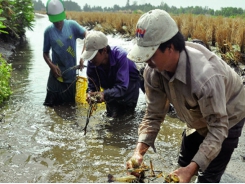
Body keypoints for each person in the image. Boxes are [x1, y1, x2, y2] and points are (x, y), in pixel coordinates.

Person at [126, 9, 245, 183]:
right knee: (180, 165)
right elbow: (153, 114)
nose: (146, 61)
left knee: (207, 177)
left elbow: (219, 129)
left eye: (150, 54)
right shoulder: (153, 71)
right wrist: (138, 152)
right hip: (195, 114)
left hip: (229, 116)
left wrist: (191, 169)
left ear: (170, 47)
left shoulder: (205, 77)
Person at [81, 30, 141, 118]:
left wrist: (104, 94)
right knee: (111, 116)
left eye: (93, 56)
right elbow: (92, 84)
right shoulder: (92, 62)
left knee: (127, 117)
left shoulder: (121, 56)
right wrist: (90, 93)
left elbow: (122, 87)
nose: (91, 60)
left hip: (128, 87)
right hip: (109, 89)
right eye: (89, 56)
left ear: (104, 50)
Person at [43, 0, 87, 107]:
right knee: (49, 106)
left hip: (70, 77)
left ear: (64, 13)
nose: (58, 23)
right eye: (55, 21)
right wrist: (52, 66)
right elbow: (45, 53)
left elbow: (88, 36)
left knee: (69, 107)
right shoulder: (48, 31)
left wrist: (83, 56)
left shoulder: (72, 25)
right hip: (55, 76)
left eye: (59, 20)